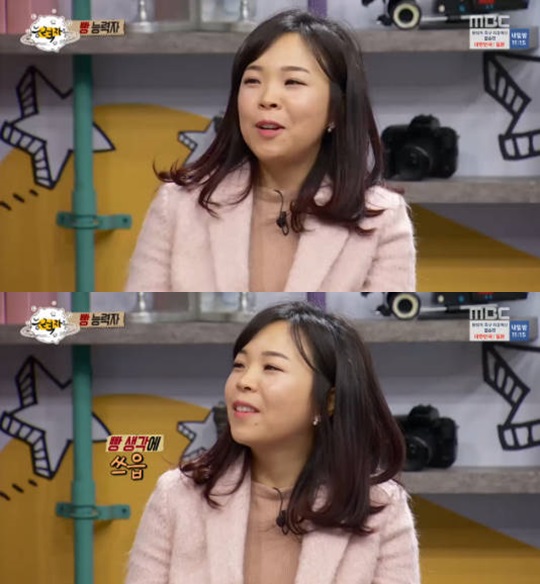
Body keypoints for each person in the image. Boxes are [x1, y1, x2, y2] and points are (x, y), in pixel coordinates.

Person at [125, 301, 420, 584]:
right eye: (239, 365)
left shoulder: (381, 507)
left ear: (328, 401)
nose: (244, 381)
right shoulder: (178, 497)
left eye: (271, 368)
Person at [125, 10, 416, 292]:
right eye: (252, 81)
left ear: (336, 111)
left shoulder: (382, 218)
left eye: (293, 82)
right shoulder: (178, 205)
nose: (267, 98)